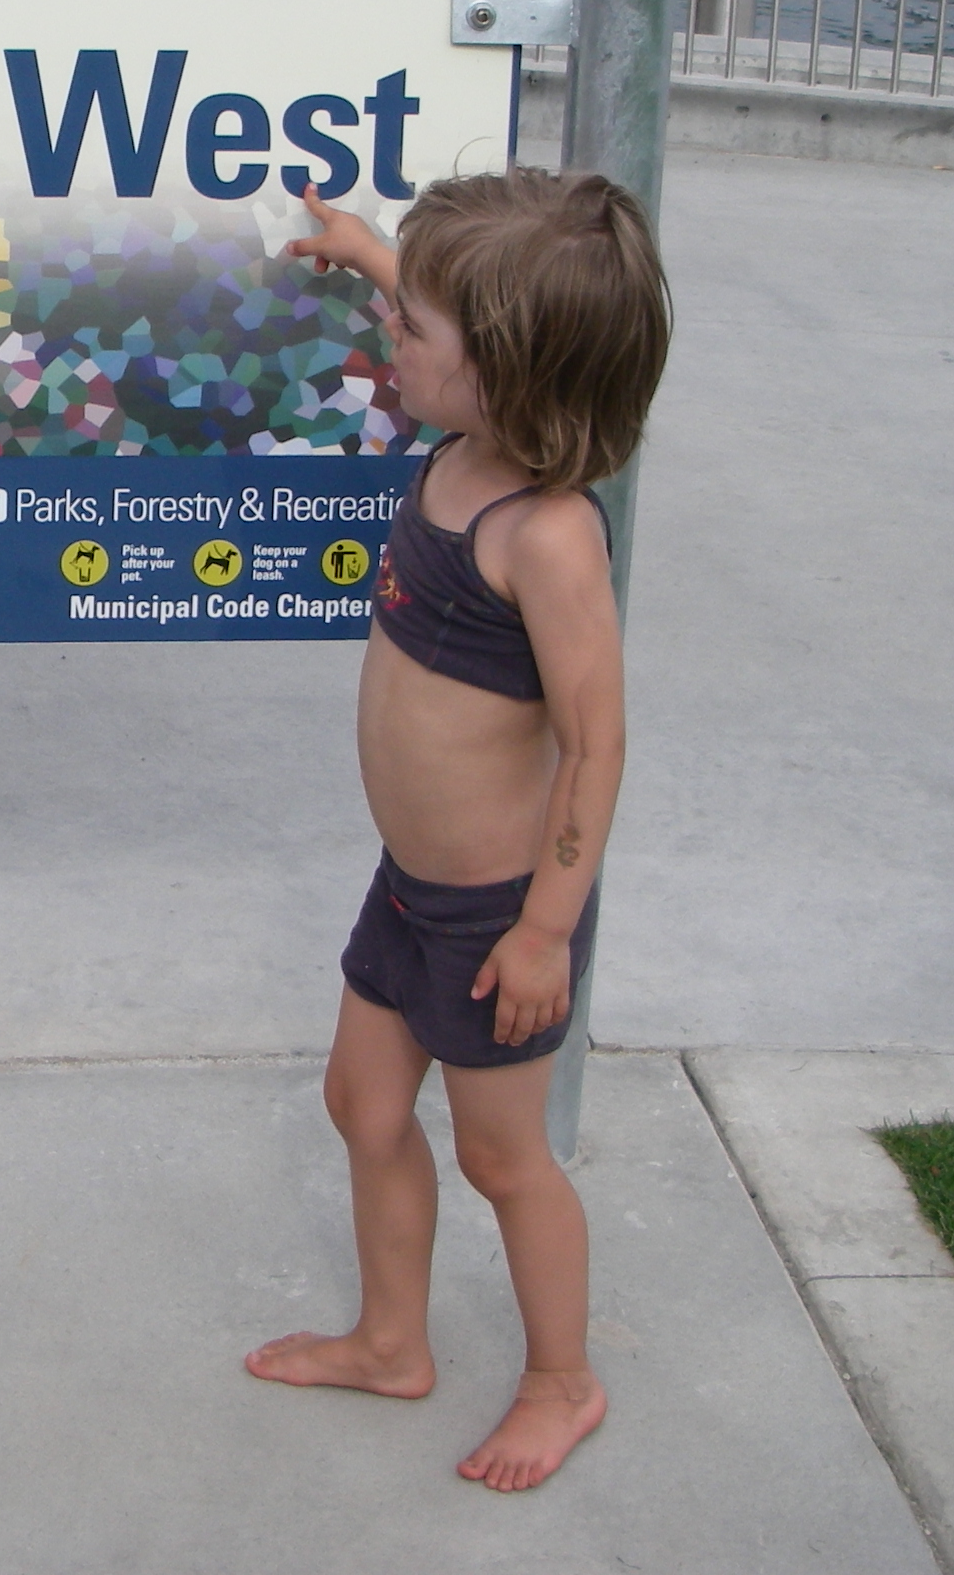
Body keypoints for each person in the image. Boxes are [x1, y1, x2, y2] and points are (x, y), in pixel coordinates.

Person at [245, 170, 671, 1495]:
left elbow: (594, 746)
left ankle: (561, 1380)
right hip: (409, 887)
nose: (391, 332)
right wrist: (370, 252)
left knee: (502, 1155)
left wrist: (545, 932)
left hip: (498, 919)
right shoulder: (462, 441)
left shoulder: (546, 538)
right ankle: (391, 1344)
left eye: (411, 324)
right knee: (362, 1104)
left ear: (500, 371)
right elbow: (447, 316)